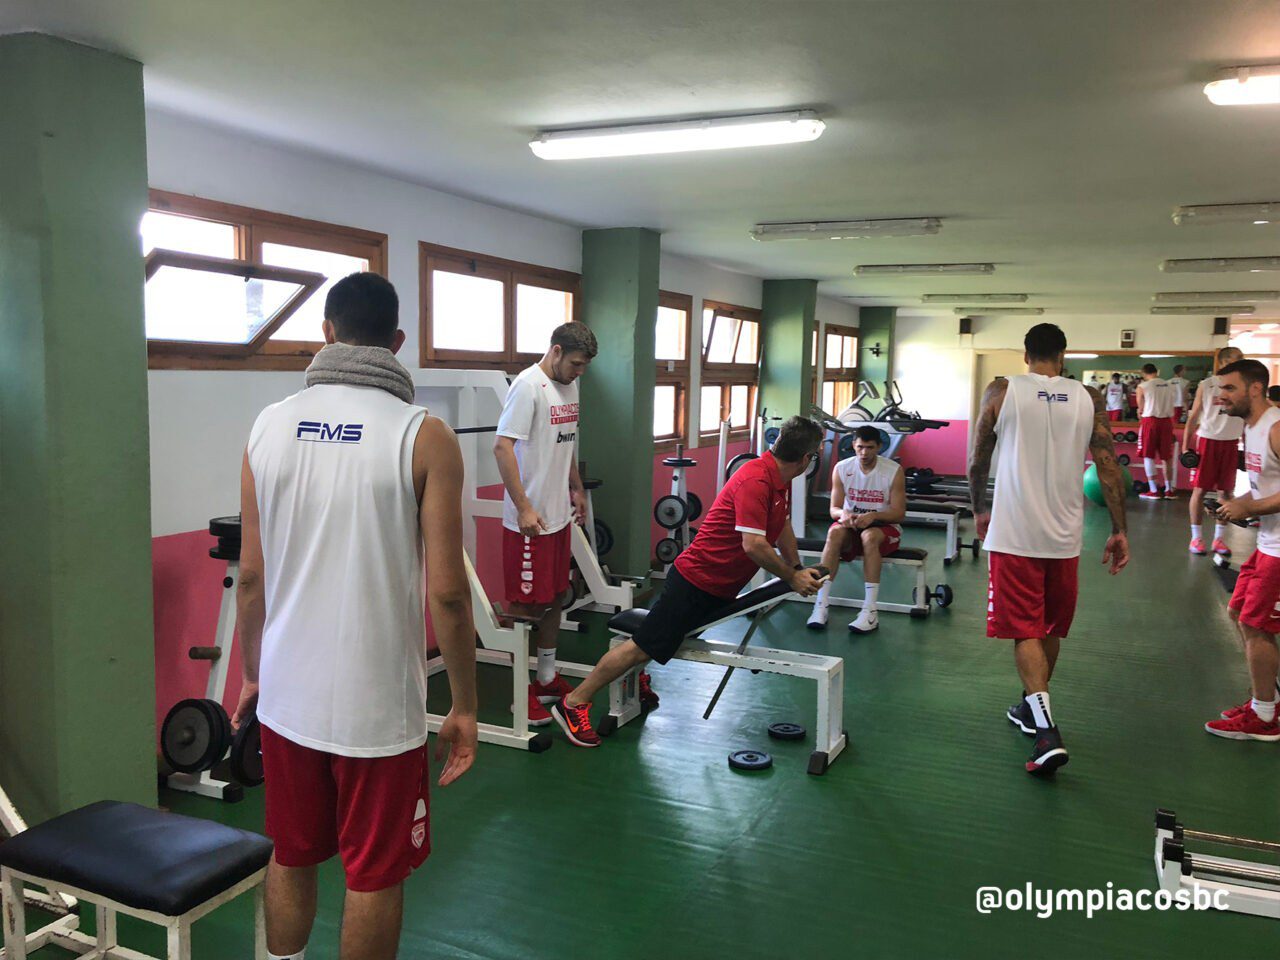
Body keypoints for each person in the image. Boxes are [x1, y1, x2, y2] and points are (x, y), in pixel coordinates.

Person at [234, 273, 478, 960]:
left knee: (291, 853)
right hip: (376, 708)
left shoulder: (267, 426)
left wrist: (253, 675)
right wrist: (464, 704)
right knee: (373, 872)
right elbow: (449, 593)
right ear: (397, 342)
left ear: (327, 332)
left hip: (288, 697)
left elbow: (249, 577)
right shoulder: (424, 435)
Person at [548, 417, 827, 747]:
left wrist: (796, 566)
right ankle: (574, 702)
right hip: (696, 582)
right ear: (806, 458)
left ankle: (634, 678)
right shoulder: (756, 479)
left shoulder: (779, 480)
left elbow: (781, 526)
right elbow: (753, 545)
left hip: (719, 586)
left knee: (670, 639)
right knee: (643, 645)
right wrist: (791, 577)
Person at [969, 323, 1129, 776]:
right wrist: (1119, 529)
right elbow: (1108, 465)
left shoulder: (1001, 391)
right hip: (1065, 536)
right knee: (1049, 627)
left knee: (1026, 630)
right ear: (1063, 356)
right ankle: (1029, 707)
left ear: (1026, 355)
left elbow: (979, 458)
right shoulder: (1088, 397)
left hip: (1015, 533)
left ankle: (1046, 732)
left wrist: (979, 509)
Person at [493, 322, 617, 726]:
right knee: (526, 607)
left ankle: (546, 678)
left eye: (584, 367)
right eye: (576, 364)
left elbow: (567, 441)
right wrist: (524, 508)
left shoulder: (570, 386)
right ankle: (519, 694)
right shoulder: (528, 387)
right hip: (530, 523)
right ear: (557, 351)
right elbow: (502, 447)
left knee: (555, 597)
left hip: (558, 516)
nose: (580, 372)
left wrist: (576, 488)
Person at [1204, 359, 1280, 743]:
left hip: (1279, 551)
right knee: (1238, 612)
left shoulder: (1276, 428)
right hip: (1268, 543)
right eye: (1220, 388)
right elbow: (1266, 487)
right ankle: (1269, 698)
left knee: (1256, 624)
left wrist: (1249, 508)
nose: (1222, 396)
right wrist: (1237, 504)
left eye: (1230, 388)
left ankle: (1265, 717)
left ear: (1255, 388)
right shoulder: (1250, 428)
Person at [806, 425, 907, 634]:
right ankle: (821, 605)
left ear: (879, 447)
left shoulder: (893, 471)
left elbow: (899, 513)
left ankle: (870, 610)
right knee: (834, 532)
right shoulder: (842, 468)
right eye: (860, 447)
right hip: (852, 526)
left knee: (869, 536)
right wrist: (843, 515)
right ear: (853, 445)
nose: (864, 453)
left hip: (884, 527)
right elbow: (834, 509)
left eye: (870, 448)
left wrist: (874, 516)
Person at [1183, 347, 1244, 557]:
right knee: (1200, 490)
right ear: (1224, 362)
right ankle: (1196, 538)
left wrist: (1246, 445)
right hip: (1208, 441)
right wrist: (1186, 447)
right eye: (1237, 359)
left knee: (1226, 493)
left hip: (1231, 442)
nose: (1241, 361)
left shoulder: (1243, 385)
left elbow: (1247, 417)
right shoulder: (1207, 385)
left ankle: (1219, 539)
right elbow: (1193, 417)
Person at [1136, 363, 1176, 500]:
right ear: (1156, 371)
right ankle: (1169, 490)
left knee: (1148, 455)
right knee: (1167, 457)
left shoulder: (1143, 386)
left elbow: (1140, 409)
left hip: (1150, 421)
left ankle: (1154, 490)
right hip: (1167, 422)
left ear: (1143, 373)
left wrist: (1140, 414)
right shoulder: (1169, 385)